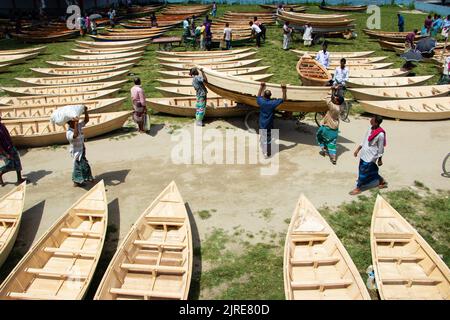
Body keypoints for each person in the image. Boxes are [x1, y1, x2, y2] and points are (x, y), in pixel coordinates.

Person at [350, 115, 387, 195]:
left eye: (372, 120)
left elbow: (381, 148)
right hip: (364, 154)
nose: (370, 120)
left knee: (363, 172)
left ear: (376, 123)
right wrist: (357, 149)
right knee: (371, 171)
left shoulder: (380, 134)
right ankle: (381, 181)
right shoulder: (370, 129)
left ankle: (358, 188)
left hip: (371, 157)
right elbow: (364, 141)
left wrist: (380, 159)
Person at [66, 107, 95, 187]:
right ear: (70, 122)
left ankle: (76, 181)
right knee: (85, 166)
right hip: (76, 152)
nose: (76, 119)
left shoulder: (78, 125)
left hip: (82, 149)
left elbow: (86, 120)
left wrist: (85, 111)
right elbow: (75, 135)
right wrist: (75, 124)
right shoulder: (68, 132)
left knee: (77, 166)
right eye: (73, 119)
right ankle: (90, 180)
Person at [257, 82, 286, 158]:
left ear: (264, 95)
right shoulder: (272, 103)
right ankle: (268, 153)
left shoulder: (261, 102)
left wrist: (261, 87)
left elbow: (258, 96)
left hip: (262, 124)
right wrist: (284, 90)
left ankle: (264, 152)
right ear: (270, 96)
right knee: (268, 139)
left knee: (263, 138)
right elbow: (283, 99)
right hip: (269, 124)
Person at [316, 94, 344, 165]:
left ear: (337, 102)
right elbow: (334, 100)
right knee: (332, 143)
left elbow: (328, 99)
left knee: (320, 136)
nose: (334, 99)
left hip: (328, 126)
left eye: (335, 98)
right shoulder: (341, 107)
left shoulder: (333, 107)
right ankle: (333, 158)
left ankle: (324, 149)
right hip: (335, 127)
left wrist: (330, 91)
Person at [0, 117, 26, 186]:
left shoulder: (2, 125)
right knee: (10, 165)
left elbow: (7, 136)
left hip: (10, 147)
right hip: (5, 150)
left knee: (17, 162)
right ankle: (0, 172)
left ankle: (19, 179)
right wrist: (6, 154)